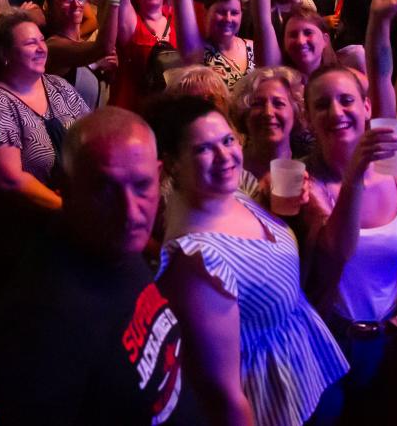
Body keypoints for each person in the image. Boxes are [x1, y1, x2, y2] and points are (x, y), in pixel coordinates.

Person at [0, 108, 198, 424]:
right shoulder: (35, 325)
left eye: (142, 185)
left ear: (159, 174)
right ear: (66, 185)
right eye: (105, 189)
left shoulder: (112, 241)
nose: (131, 211)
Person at [149, 93, 348, 425]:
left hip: (310, 373)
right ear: (172, 164)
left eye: (227, 140)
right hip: (274, 406)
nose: (225, 156)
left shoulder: (237, 193)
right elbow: (223, 394)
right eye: (203, 149)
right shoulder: (197, 262)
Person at [300, 66, 397, 418]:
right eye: (322, 105)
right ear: (308, 118)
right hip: (331, 341)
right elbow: (336, 252)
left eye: (347, 101)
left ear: (367, 107)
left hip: (395, 334)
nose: (337, 112)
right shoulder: (304, 189)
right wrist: (355, 174)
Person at [0, 10, 91, 309]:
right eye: (29, 43)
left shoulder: (58, 87)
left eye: (41, 40)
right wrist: (70, 211)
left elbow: (95, 134)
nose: (40, 47)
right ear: (5, 55)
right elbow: (10, 179)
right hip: (19, 242)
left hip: (66, 235)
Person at [41, 0, 121, 109]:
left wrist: (108, 73)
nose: (76, 3)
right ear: (51, 6)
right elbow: (103, 47)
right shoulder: (53, 47)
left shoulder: (83, 47)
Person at [233, 65, 304, 189]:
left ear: (296, 112)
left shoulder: (311, 169)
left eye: (278, 103)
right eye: (258, 104)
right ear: (244, 114)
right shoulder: (229, 170)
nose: (268, 112)